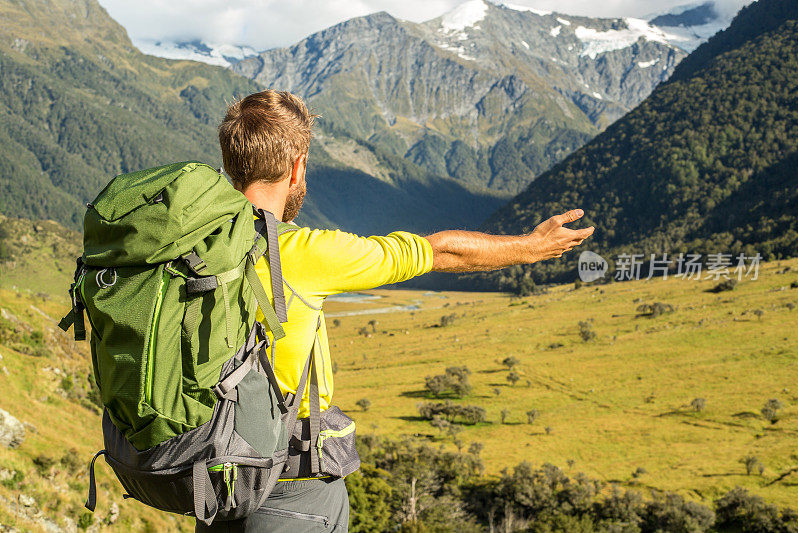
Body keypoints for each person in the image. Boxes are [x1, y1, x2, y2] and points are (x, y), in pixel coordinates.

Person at [199, 89, 594, 532]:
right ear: (297, 167)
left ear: (232, 164)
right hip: (292, 490)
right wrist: (530, 247)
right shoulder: (302, 253)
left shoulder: (194, 248)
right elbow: (440, 252)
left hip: (214, 485)